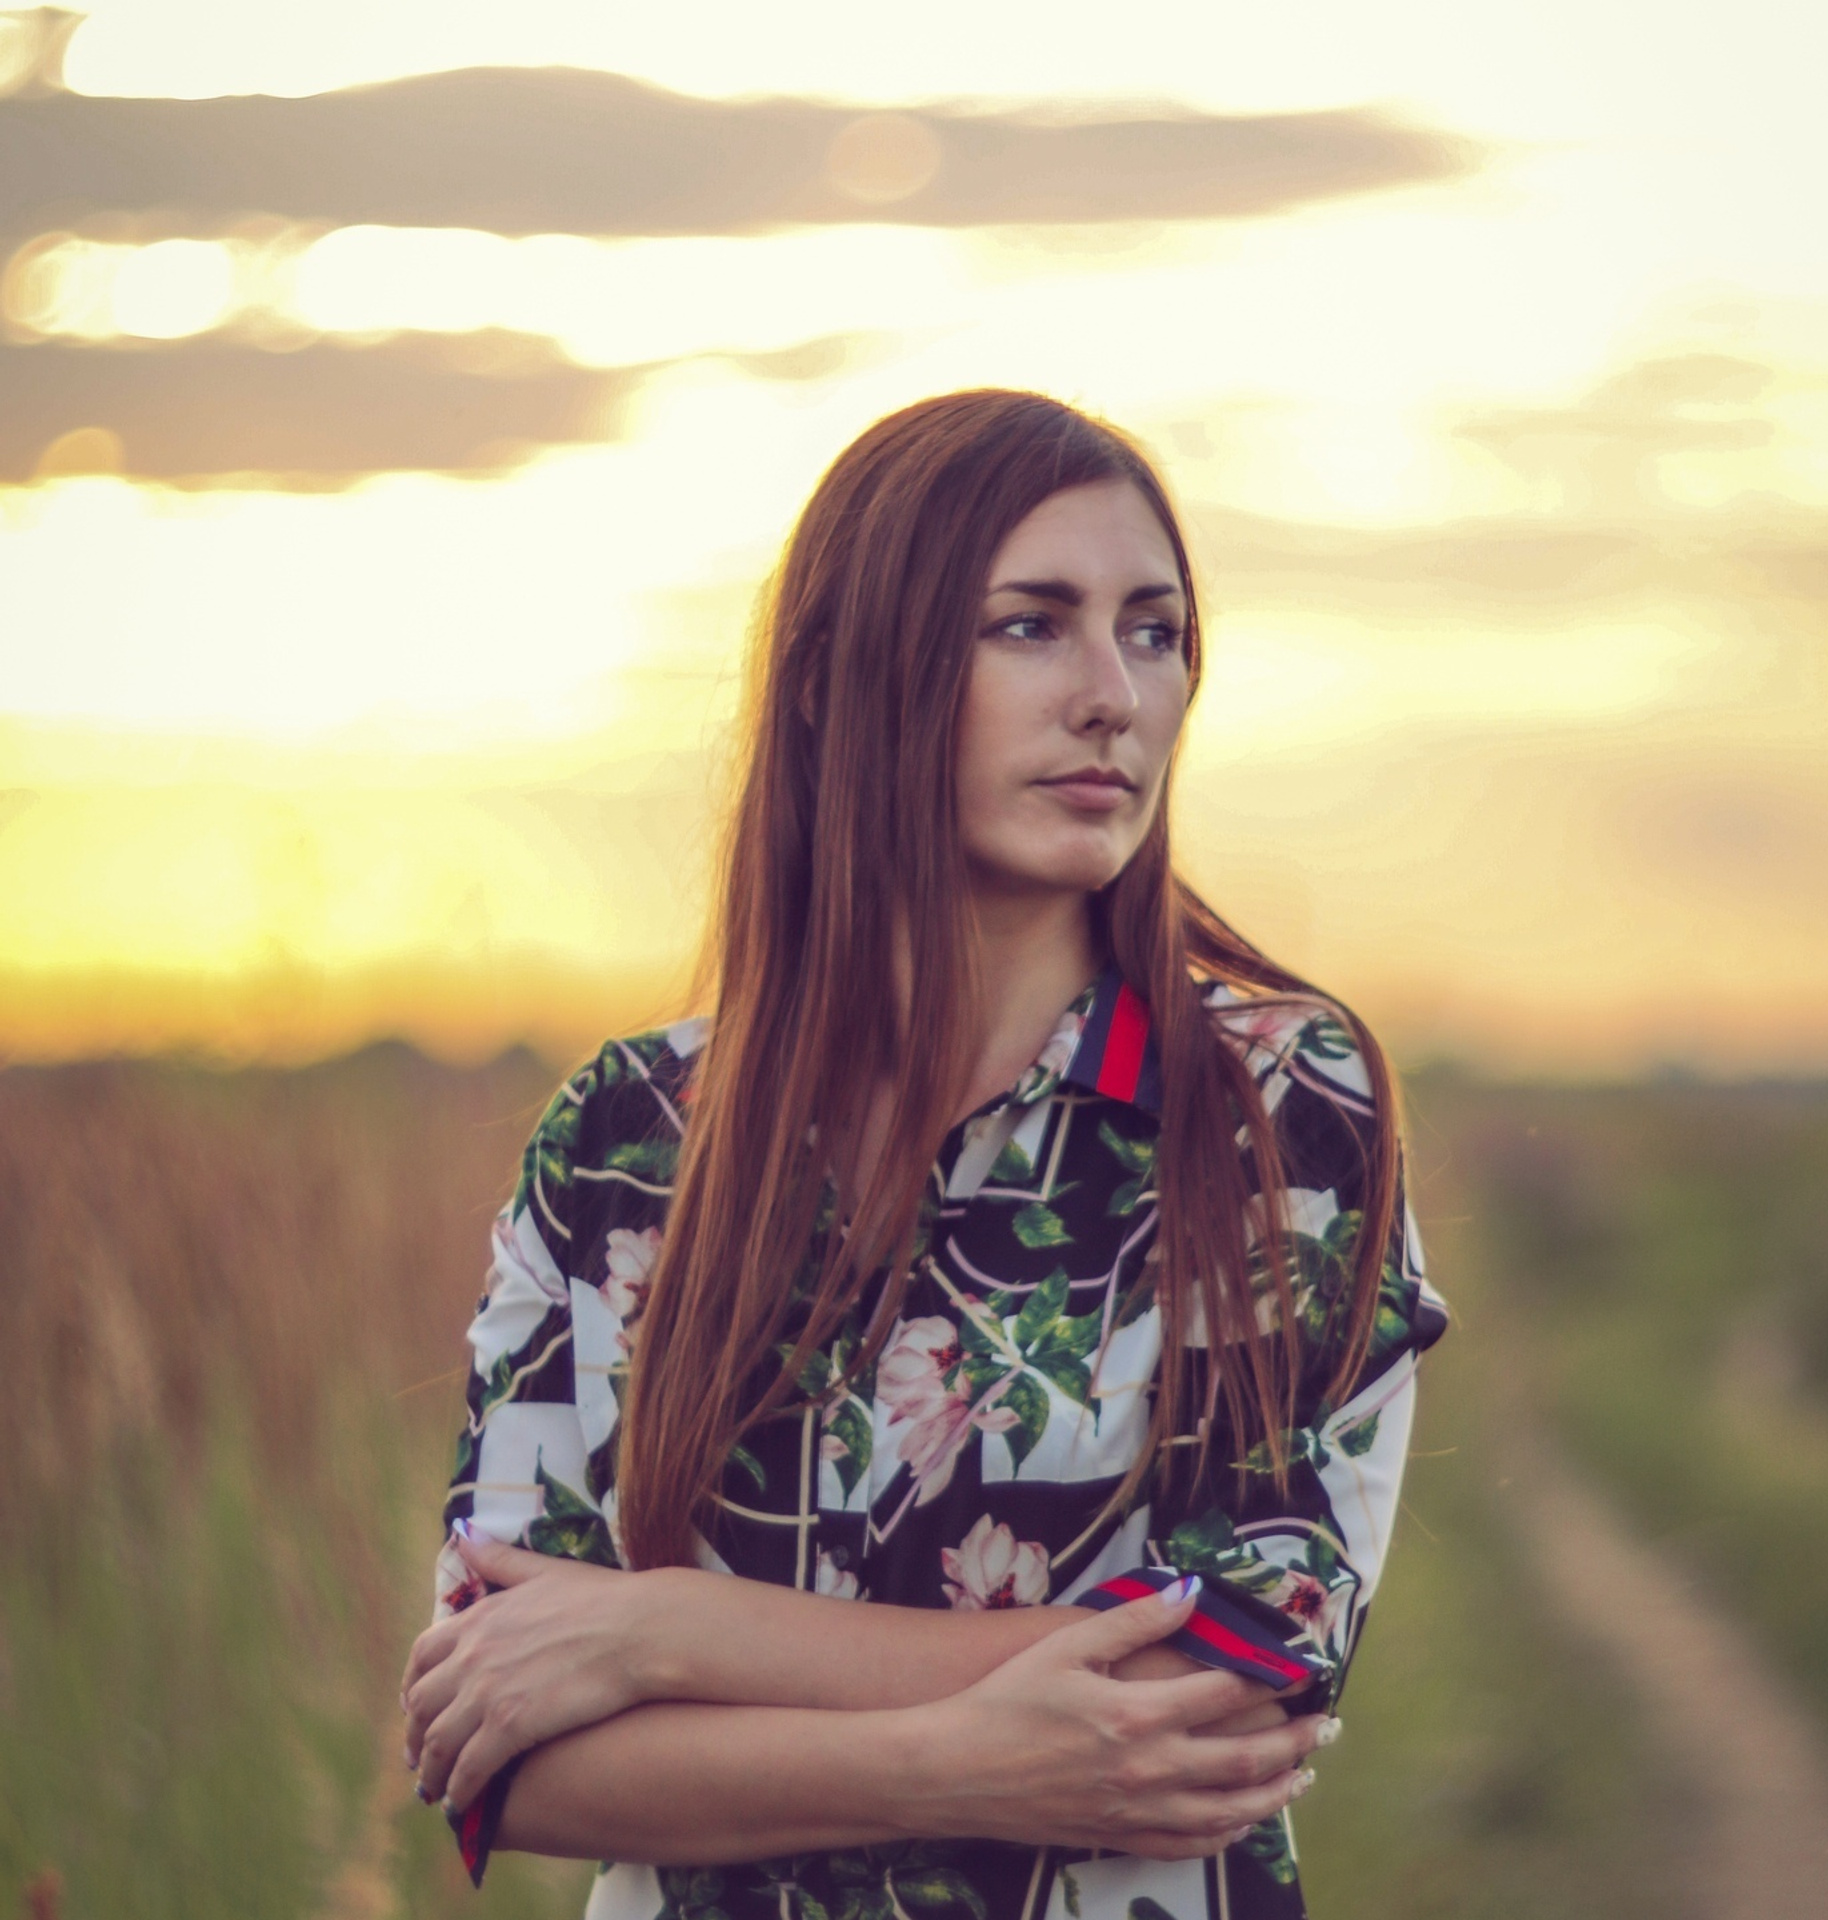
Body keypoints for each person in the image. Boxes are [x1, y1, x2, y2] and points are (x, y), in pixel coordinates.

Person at [398, 389, 1448, 1920]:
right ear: (836, 681)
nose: (1114, 697)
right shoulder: (625, 1146)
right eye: (1033, 625)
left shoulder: (1274, 1108)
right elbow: (498, 1751)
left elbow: (1236, 1671)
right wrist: (962, 1763)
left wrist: (663, 1634)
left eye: (1153, 633)